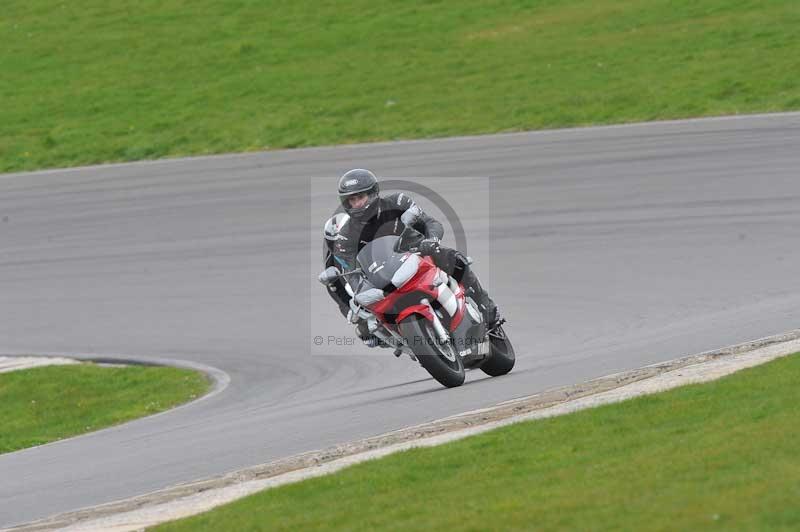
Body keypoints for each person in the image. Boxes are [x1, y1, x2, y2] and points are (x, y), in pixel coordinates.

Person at [321, 168, 498, 346]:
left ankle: (485, 304)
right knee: (367, 322)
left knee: (453, 258)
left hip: (418, 251)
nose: (357, 203)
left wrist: (432, 240)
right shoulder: (346, 235)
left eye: (360, 197)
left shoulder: (397, 202)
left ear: (373, 193)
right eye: (352, 200)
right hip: (381, 276)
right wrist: (358, 296)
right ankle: (397, 339)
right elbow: (349, 270)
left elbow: (430, 223)